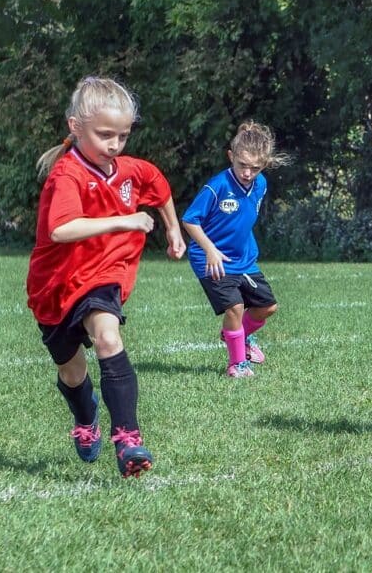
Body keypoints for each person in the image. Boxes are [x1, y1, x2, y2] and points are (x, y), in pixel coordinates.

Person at [27, 76, 186, 478]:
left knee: (108, 337)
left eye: (123, 135)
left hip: (101, 277)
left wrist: (173, 230)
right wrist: (124, 221)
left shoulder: (129, 170)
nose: (114, 144)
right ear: (74, 127)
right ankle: (85, 417)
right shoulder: (68, 176)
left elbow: (159, 185)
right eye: (104, 135)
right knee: (72, 370)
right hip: (54, 286)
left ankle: (128, 439)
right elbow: (61, 230)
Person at [182, 121, 288, 378]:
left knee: (268, 307)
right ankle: (237, 364)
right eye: (242, 165)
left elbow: (244, 217)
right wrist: (209, 249)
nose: (248, 173)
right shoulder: (217, 186)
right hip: (211, 259)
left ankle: (237, 335)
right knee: (235, 308)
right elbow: (189, 220)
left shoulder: (260, 184)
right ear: (231, 156)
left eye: (255, 167)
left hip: (244, 259)